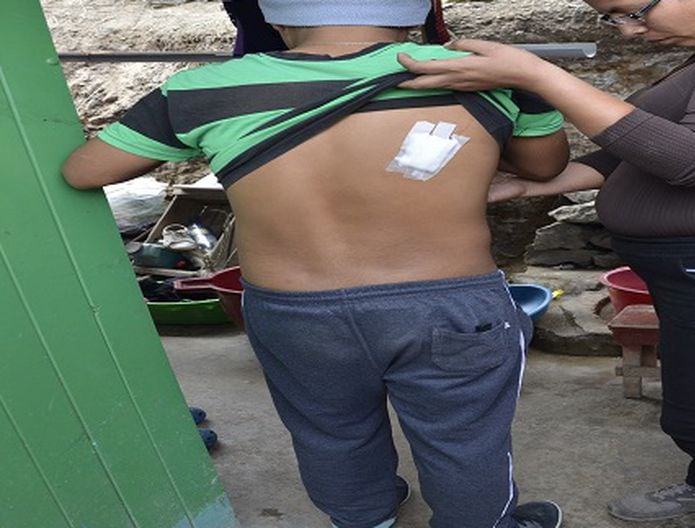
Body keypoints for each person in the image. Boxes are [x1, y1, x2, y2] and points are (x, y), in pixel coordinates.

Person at [61, 1, 571, 527]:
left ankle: (365, 517)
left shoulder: (200, 91)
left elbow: (84, 172)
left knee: (330, 431)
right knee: (465, 438)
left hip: (293, 311)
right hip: (447, 304)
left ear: (273, 17)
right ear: (417, 14)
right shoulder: (486, 76)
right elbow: (544, 165)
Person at [397, 0, 695, 526]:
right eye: (613, 18)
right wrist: (533, 184)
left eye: (633, 10)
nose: (630, 31)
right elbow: (635, 149)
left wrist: (540, 77)